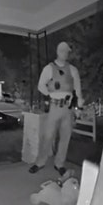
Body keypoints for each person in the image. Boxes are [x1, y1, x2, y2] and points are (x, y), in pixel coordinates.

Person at [29, 41, 83, 179]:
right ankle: (40, 162)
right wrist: (49, 93)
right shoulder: (49, 68)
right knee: (48, 136)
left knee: (65, 137)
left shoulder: (73, 70)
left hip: (67, 108)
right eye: (63, 51)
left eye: (67, 52)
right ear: (58, 52)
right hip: (54, 106)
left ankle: (59, 164)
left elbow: (78, 89)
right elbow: (41, 85)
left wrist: (80, 106)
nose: (65, 54)